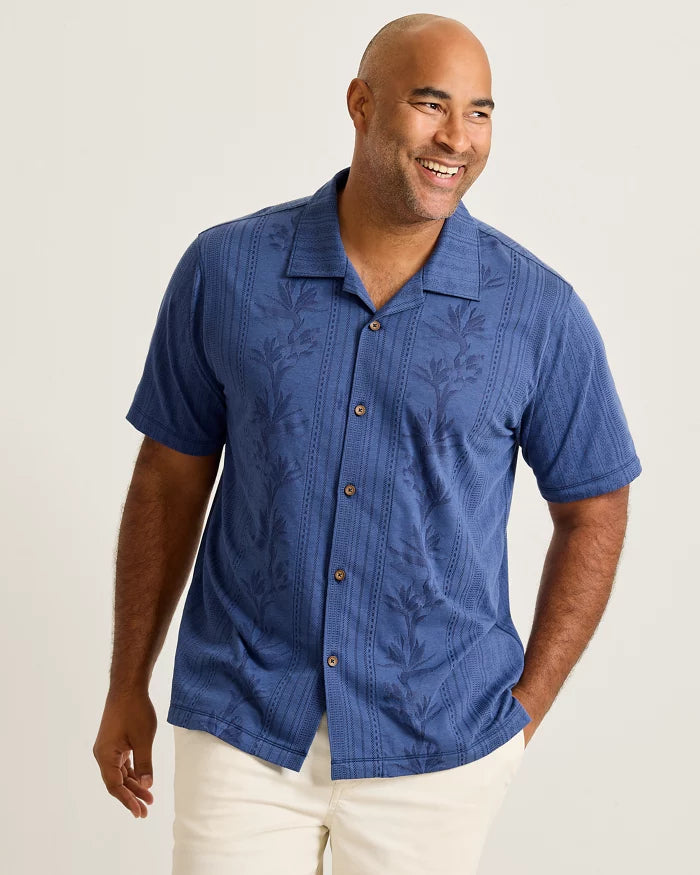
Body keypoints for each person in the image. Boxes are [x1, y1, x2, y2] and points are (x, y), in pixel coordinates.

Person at [93, 12, 642, 874]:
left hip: (439, 743)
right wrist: (127, 680)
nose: (457, 137)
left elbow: (596, 505)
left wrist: (522, 715)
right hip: (244, 723)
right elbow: (167, 478)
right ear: (360, 103)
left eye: (480, 111)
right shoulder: (227, 270)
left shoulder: (538, 312)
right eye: (431, 103)